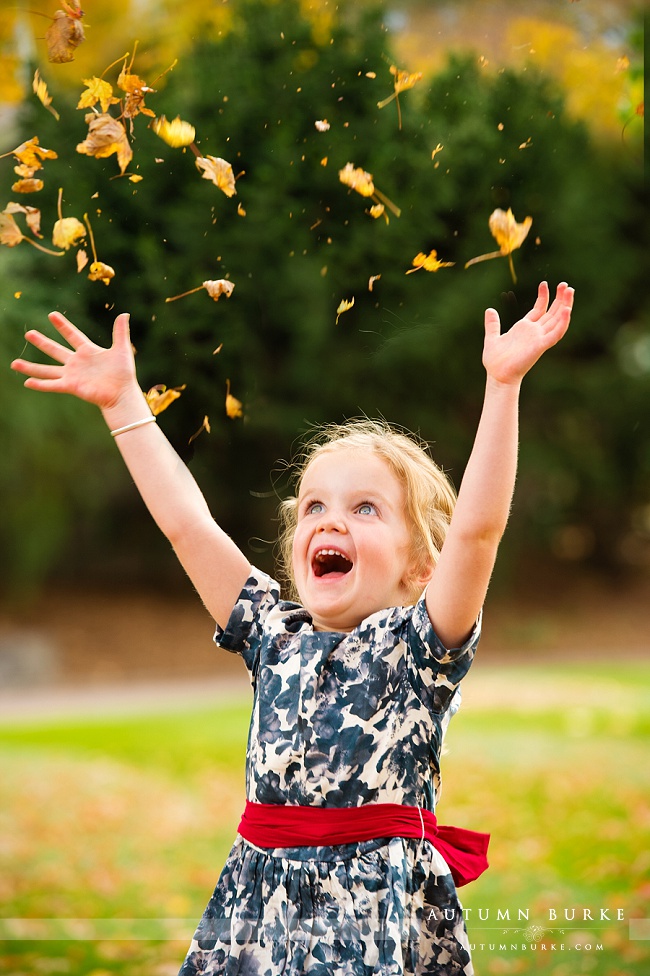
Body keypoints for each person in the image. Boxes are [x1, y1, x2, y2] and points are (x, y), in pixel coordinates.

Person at [11, 281, 574, 975]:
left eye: (366, 509)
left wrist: (503, 387)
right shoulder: (270, 634)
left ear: (422, 564)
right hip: (257, 911)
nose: (331, 519)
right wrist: (125, 404)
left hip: (366, 921)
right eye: (314, 506)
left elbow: (479, 531)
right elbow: (188, 525)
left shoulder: (418, 649)